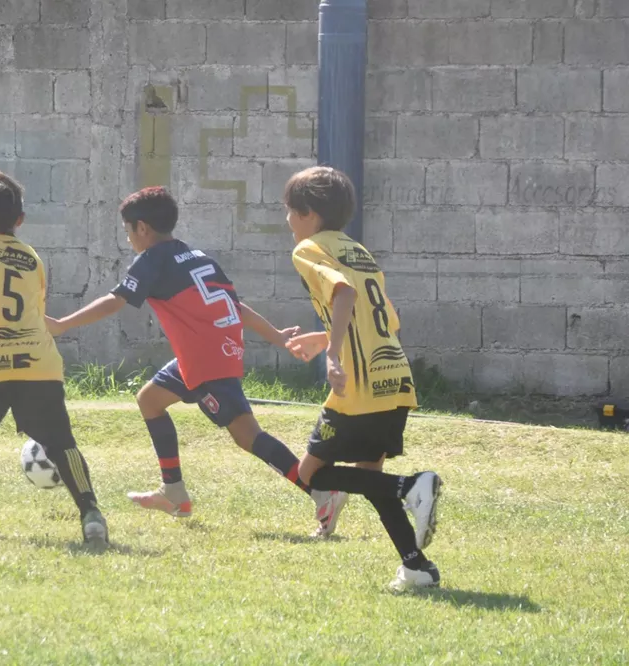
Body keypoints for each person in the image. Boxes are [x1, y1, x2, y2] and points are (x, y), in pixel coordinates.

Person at [46, 186, 347, 536]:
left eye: (128, 231)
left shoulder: (152, 259)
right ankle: (174, 491)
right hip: (209, 352)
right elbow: (237, 306)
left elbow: (116, 300)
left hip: (205, 361)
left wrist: (63, 324)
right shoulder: (197, 256)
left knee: (247, 436)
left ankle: (321, 493)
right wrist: (276, 336)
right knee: (150, 399)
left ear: (142, 228)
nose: (128, 239)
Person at [281, 166, 442, 590]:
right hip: (395, 378)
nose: (287, 221)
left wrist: (331, 354)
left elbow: (345, 295)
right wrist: (324, 337)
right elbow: (387, 317)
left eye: (290, 211)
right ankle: (416, 567)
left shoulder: (309, 249)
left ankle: (413, 485)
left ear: (309, 213)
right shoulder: (357, 250)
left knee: (312, 474)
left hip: (358, 386)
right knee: (371, 478)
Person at [0, 171, 108, 547]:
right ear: (20, 220)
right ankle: (91, 514)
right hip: (39, 361)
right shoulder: (33, 259)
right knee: (61, 442)